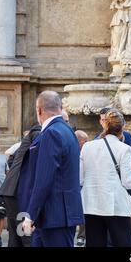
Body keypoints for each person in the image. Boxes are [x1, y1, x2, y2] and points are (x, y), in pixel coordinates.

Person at [20, 91, 84, 247]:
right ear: (60, 107)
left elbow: (43, 179)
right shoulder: (67, 131)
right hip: (58, 215)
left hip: (53, 216)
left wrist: (30, 215)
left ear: (39, 110)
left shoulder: (51, 133)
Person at [80, 109, 131, 247]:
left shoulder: (87, 147)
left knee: (95, 243)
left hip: (91, 204)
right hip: (115, 205)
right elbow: (129, 183)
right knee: (124, 243)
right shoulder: (123, 148)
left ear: (105, 125)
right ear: (122, 127)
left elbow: (80, 178)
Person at [0, 123, 41, 247]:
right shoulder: (37, 132)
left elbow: (12, 160)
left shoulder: (31, 137)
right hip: (18, 193)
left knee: (16, 233)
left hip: (12, 192)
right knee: (25, 233)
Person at [74, 130, 89, 247]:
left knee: (84, 212)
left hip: (84, 185)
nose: (87, 143)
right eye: (85, 141)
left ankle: (81, 236)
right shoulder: (71, 151)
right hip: (73, 186)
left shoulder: (88, 153)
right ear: (78, 141)